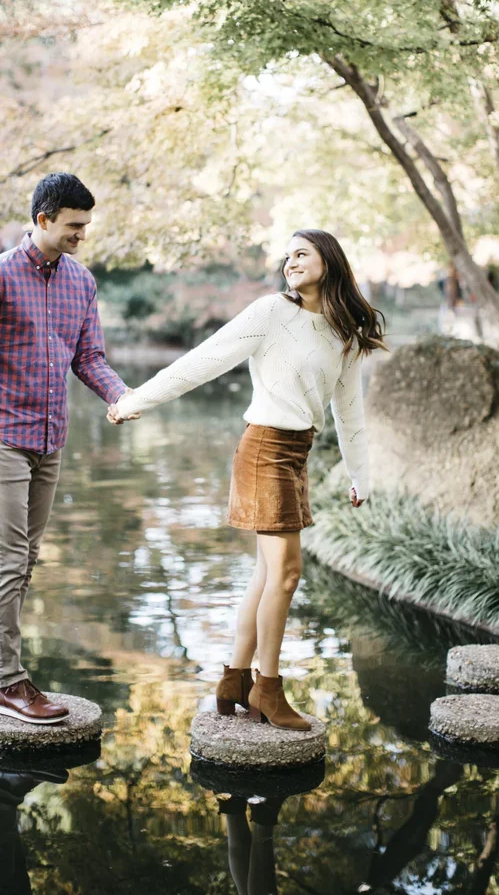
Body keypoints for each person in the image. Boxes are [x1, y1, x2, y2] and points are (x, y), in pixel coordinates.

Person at [110, 230, 386, 729]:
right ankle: (268, 689)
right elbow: (204, 360)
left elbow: (350, 412)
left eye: (301, 253)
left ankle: (235, 680)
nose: (290, 262)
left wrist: (360, 476)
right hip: (264, 449)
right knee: (286, 573)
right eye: (287, 256)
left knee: (268, 575)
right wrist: (136, 401)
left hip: (297, 452)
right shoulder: (270, 313)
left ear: (330, 259)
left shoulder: (343, 332)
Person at [0, 173, 137, 724]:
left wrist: (121, 396)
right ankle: (12, 685)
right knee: (8, 554)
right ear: (43, 219)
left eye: (86, 226)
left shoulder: (81, 282)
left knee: (26, 558)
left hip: (51, 436)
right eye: (73, 225)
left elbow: (88, 358)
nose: (81, 235)